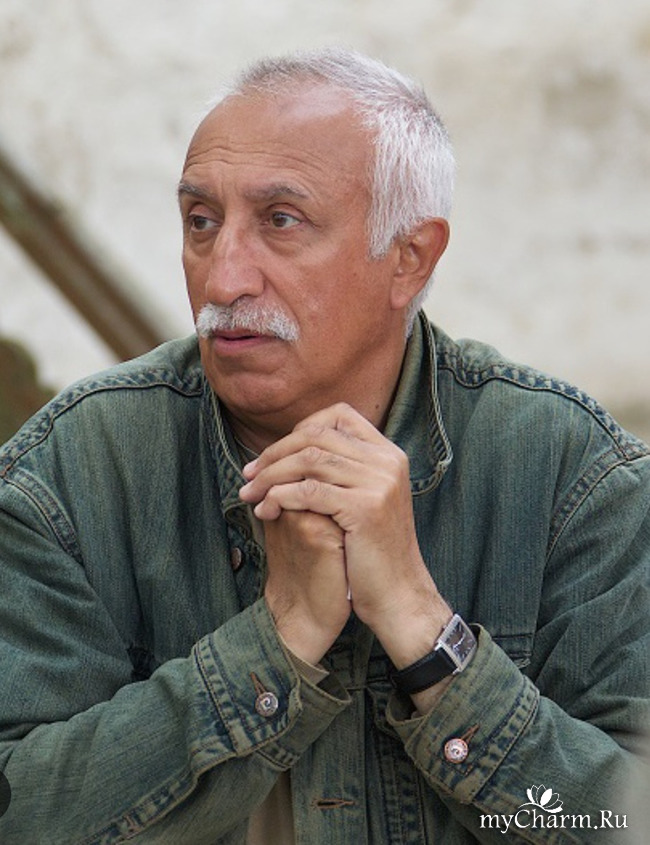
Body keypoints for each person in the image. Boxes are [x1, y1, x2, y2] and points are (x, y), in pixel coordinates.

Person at [0, 47, 648, 845]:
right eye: (201, 221)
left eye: (281, 221)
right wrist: (276, 639)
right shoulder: (70, 473)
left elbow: (625, 821)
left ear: (409, 258)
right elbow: (20, 816)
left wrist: (426, 634)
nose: (223, 279)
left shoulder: (573, 475)